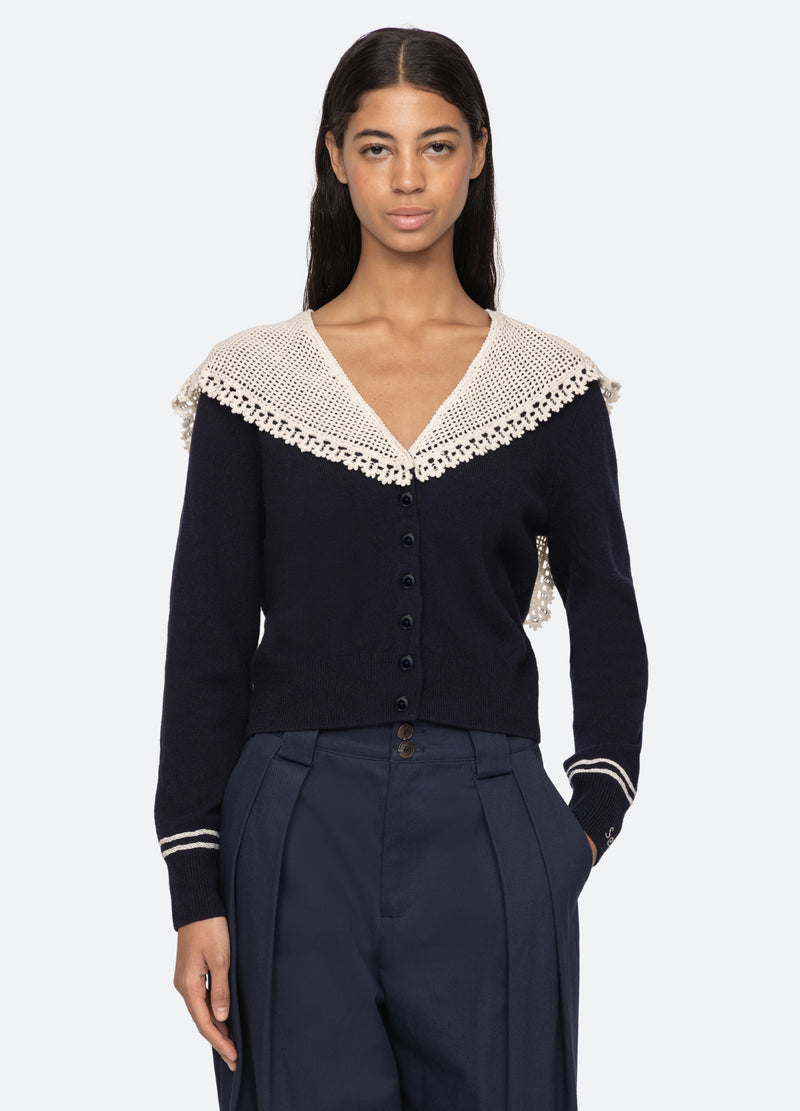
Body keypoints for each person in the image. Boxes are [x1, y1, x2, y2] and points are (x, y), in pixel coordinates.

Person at [154, 25, 648, 1111]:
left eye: (436, 144)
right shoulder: (252, 383)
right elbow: (206, 645)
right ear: (335, 157)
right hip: (294, 829)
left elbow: (610, 619)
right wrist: (195, 884)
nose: (408, 179)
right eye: (377, 147)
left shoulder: (550, 387)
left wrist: (582, 822)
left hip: (492, 825)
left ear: (478, 154)